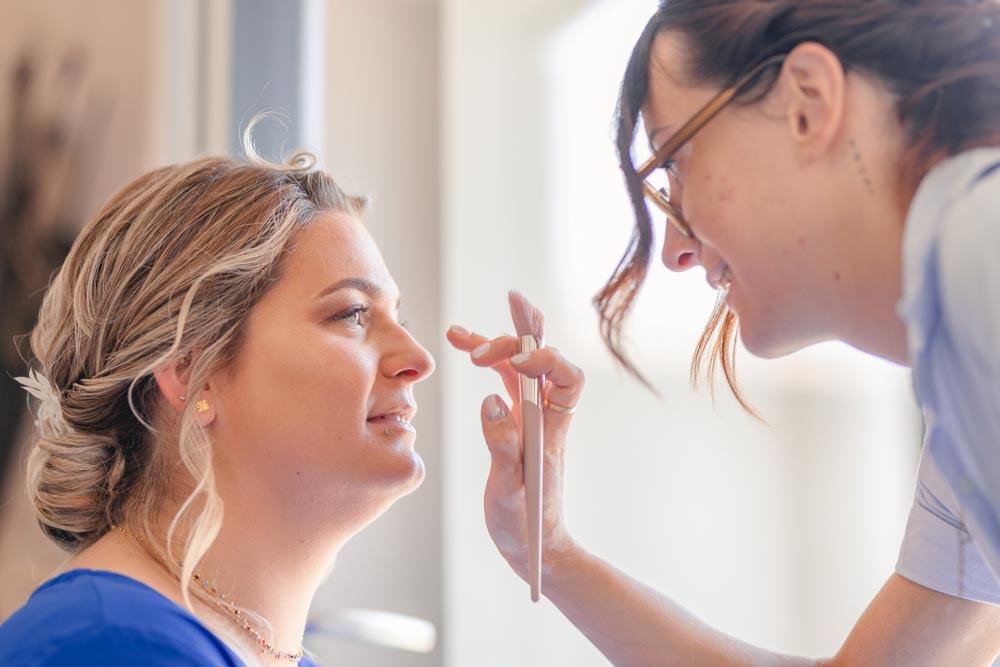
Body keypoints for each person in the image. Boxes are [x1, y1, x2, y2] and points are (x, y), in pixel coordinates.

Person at [448, 0, 1000, 664]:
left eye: (675, 162)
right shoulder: (961, 380)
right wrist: (551, 550)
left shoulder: (980, 253)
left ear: (808, 102)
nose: (676, 248)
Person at [0, 142, 434, 666]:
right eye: (352, 314)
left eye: (399, 321)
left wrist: (552, 550)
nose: (418, 359)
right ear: (191, 371)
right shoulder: (109, 645)